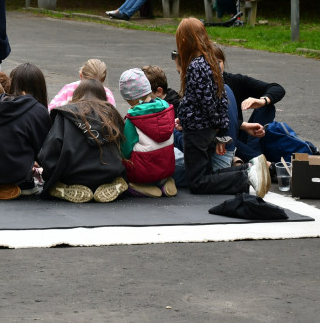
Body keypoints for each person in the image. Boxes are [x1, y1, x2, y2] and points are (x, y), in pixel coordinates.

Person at [174, 17, 269, 196]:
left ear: (185, 40)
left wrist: (202, 123)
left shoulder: (196, 66)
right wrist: (220, 130)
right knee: (204, 175)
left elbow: (206, 102)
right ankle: (248, 170)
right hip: (206, 129)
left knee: (198, 181)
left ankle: (247, 173)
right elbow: (220, 100)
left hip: (198, 131)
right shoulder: (211, 62)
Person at [0, 63, 51, 199]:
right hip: (12, 177)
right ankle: (19, 184)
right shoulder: (38, 111)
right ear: (40, 86)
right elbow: (44, 151)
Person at [39, 79, 127, 203]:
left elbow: (51, 149)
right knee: (114, 177)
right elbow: (123, 146)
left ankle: (62, 187)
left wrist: (48, 175)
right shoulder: (112, 114)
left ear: (77, 94)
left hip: (73, 175)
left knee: (56, 181)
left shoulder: (65, 114)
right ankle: (109, 185)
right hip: (109, 173)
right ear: (102, 95)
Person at [118, 68, 177, 197]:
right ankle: (165, 181)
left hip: (143, 173)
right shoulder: (166, 108)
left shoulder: (134, 119)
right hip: (167, 167)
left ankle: (139, 186)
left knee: (123, 165)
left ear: (129, 99)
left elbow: (125, 149)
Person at [47, 58, 117, 110]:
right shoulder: (107, 94)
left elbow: (50, 109)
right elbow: (112, 116)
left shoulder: (69, 88)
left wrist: (68, 104)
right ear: (103, 80)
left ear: (81, 75)